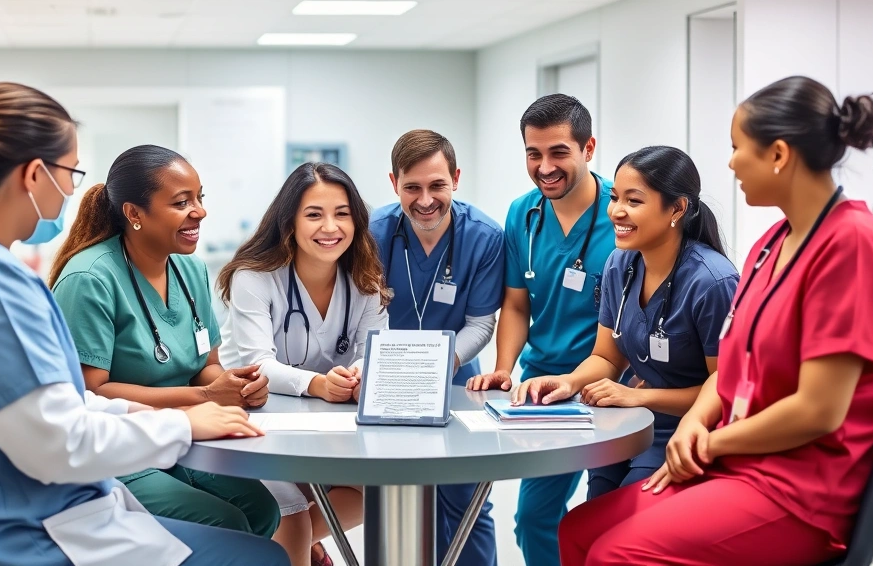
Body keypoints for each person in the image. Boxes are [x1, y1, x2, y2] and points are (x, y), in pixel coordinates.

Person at [0, 82, 289, 566]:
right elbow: (60, 445)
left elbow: (58, 408)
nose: (74, 190)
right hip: (26, 532)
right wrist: (181, 422)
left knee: (253, 516)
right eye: (70, 173)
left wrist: (164, 417)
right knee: (260, 558)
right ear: (35, 174)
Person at [558, 76, 873, 565]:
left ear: (779, 155)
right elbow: (730, 373)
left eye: (739, 147)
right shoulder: (771, 245)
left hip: (799, 489)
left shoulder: (852, 244)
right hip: (736, 463)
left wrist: (711, 439)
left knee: (617, 554)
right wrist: (694, 425)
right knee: (579, 530)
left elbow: (818, 410)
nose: (731, 162)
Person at [49, 145, 281, 539]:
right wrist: (206, 398)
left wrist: (234, 385)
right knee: (224, 523)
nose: (200, 211)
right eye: (181, 202)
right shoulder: (90, 279)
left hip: (183, 434)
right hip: (118, 443)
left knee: (261, 510)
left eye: (199, 198)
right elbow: (92, 391)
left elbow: (206, 364)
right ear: (134, 214)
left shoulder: (190, 269)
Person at [511, 145, 739, 500]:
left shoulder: (712, 283)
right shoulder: (620, 264)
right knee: (581, 522)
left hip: (683, 435)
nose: (616, 211)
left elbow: (725, 390)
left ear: (677, 208)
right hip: (624, 425)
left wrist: (637, 396)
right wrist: (567, 382)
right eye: (615, 197)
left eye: (633, 201)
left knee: (612, 531)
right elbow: (608, 358)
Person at [466, 93, 616, 565]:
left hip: (613, 383)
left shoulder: (624, 212)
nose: (544, 167)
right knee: (534, 518)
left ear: (588, 148)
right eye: (534, 154)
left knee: (603, 517)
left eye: (558, 152)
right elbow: (515, 304)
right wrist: (505, 368)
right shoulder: (522, 214)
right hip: (542, 388)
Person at [216, 161, 389, 566]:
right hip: (252, 418)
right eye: (314, 214)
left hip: (322, 424)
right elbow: (259, 363)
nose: (330, 227)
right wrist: (319, 385)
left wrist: (362, 374)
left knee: (378, 491)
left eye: (342, 214)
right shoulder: (256, 277)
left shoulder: (365, 281)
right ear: (289, 222)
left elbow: (372, 352)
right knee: (291, 515)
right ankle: (295, 541)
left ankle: (296, 541)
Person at [370, 129, 505, 566]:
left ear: (456, 178)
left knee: (465, 501)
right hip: (387, 386)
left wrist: (441, 364)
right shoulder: (373, 234)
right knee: (394, 497)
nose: (425, 200)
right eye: (412, 187)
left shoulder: (484, 236)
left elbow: (482, 322)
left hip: (457, 381)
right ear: (394, 183)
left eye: (437, 185)